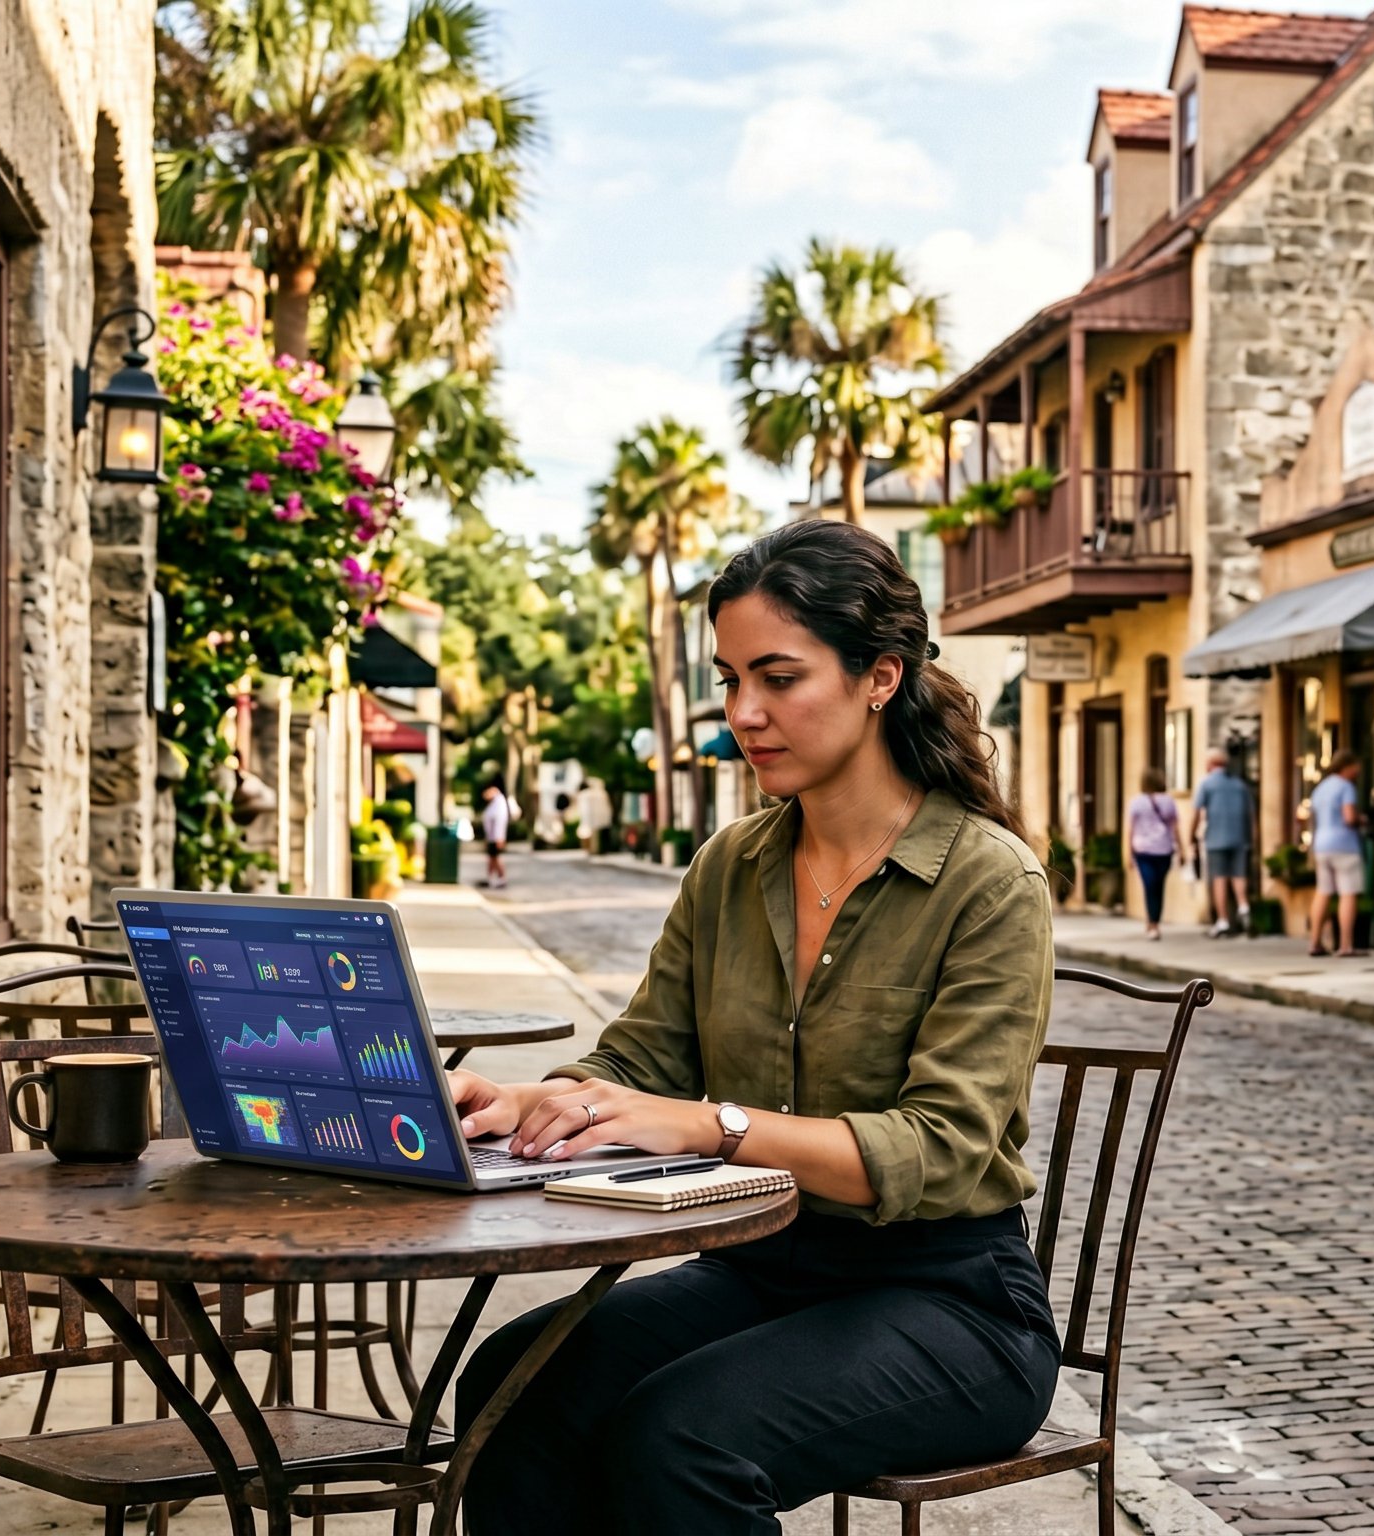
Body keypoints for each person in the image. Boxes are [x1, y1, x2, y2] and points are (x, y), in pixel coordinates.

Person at [445, 520, 1059, 1534]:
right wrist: (525, 1099)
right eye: (731, 680)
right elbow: (639, 1057)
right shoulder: (733, 864)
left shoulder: (988, 881)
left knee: (682, 1438)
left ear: (879, 677)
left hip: (951, 1302)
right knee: (512, 1390)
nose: (743, 714)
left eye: (778, 678)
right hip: (762, 1265)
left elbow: (942, 1152)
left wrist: (707, 1125)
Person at [1306, 751, 1368, 958]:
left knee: (1323, 892)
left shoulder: (1320, 788)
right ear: (1347, 766)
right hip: (1344, 845)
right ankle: (1345, 945)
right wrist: (1362, 820)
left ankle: (1315, 942)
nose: (1358, 771)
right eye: (1356, 767)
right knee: (1348, 893)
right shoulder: (1346, 787)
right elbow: (1349, 817)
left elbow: (1311, 819)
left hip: (1322, 844)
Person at [1189, 748, 1256, 937]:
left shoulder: (1207, 784)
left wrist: (1191, 836)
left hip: (1216, 839)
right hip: (1240, 837)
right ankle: (1244, 908)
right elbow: (1252, 816)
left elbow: (1196, 812)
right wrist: (1253, 839)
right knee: (1238, 876)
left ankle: (1223, 920)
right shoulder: (1240, 785)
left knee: (1219, 878)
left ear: (1210, 764)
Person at [1126, 766, 1182, 940]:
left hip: (1143, 851)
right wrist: (1182, 849)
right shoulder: (1169, 801)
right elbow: (1175, 828)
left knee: (1150, 887)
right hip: (1164, 850)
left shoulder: (1136, 802)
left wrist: (1128, 853)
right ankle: (1153, 922)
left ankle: (1153, 923)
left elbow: (1130, 829)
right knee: (1157, 887)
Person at [476, 781, 513, 891]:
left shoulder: (499, 804)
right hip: (491, 837)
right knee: (492, 858)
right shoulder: (493, 804)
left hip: (496, 837)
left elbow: (499, 822)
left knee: (496, 858)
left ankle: (502, 878)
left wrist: (499, 838)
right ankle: (490, 878)